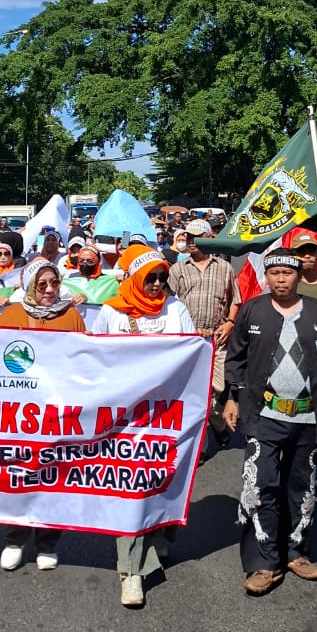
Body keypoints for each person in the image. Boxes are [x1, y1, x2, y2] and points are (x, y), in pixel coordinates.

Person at [222, 251, 317, 596]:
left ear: (298, 276)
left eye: (287, 273)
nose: (281, 279)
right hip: (264, 414)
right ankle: (263, 562)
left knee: (301, 487)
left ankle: (296, 552)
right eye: (274, 272)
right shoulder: (252, 311)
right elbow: (236, 358)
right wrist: (231, 398)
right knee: (260, 485)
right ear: (266, 276)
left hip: (308, 416)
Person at [94, 247, 196, 608]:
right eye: (149, 278)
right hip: (124, 418)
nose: (156, 284)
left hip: (168, 414)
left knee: (163, 478)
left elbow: (191, 354)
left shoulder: (175, 308)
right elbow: (94, 356)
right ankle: (131, 572)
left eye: (162, 278)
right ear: (135, 278)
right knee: (130, 487)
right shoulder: (111, 312)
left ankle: (159, 532)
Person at [0, 259, 85, 573]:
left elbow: (85, 359)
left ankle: (48, 543)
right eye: (42, 284)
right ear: (29, 287)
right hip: (19, 414)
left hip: (57, 413)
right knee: (18, 475)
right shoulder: (11, 314)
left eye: (55, 283)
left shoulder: (71, 315)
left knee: (52, 476)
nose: (50, 290)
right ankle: (15, 540)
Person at [166, 218, 240, 450]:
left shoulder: (225, 268)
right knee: (194, 392)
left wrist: (230, 323)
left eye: (196, 237)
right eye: (188, 237)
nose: (191, 241)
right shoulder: (178, 269)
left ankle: (217, 424)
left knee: (218, 390)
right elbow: (167, 302)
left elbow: (235, 300)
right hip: (190, 341)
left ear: (209, 238)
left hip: (218, 339)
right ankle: (199, 446)